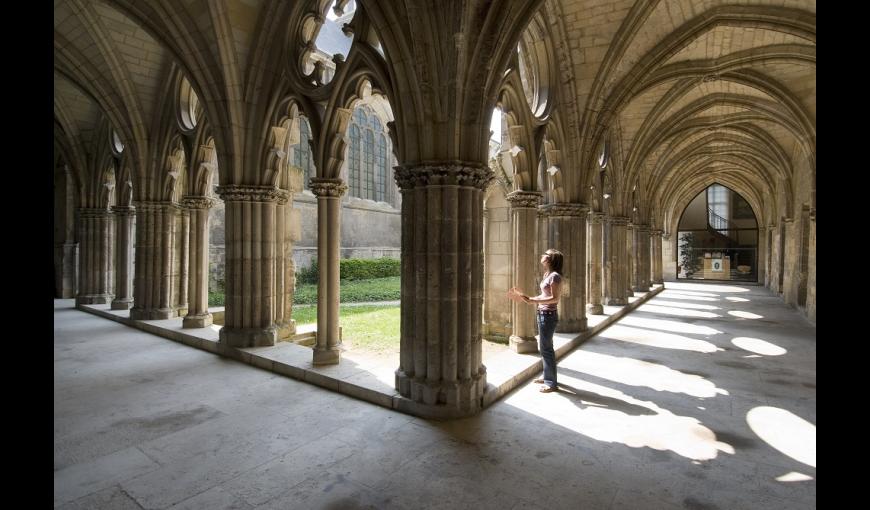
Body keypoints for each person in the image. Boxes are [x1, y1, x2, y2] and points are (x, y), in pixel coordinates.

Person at [507, 248, 563, 393]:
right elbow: (544, 295)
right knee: (544, 347)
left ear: (550, 259)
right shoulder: (547, 274)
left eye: (545, 254)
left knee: (546, 348)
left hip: (548, 315)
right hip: (543, 313)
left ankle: (551, 383)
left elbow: (555, 298)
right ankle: (547, 377)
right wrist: (527, 298)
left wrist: (533, 300)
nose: (542, 255)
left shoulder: (555, 276)